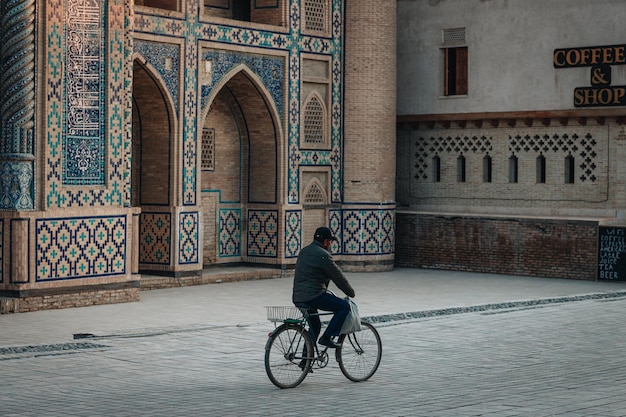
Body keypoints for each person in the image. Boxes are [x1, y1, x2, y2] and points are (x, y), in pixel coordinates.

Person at [292, 226, 355, 349]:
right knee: (344, 307)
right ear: (325, 241)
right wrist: (350, 292)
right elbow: (338, 277)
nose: (330, 244)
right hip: (313, 296)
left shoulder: (304, 251)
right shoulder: (324, 255)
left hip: (298, 297)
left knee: (315, 326)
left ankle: (306, 361)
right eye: (330, 241)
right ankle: (327, 337)